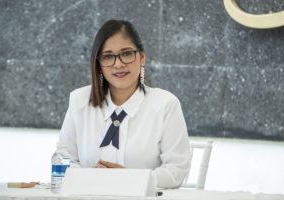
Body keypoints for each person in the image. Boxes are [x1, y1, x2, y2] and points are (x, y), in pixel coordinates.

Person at [55, 19, 191, 189]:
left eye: (126, 53)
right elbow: (62, 159)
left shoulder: (165, 105)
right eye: (108, 56)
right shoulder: (79, 101)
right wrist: (91, 178)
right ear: (98, 65)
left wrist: (131, 179)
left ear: (142, 57)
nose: (118, 64)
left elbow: (176, 170)